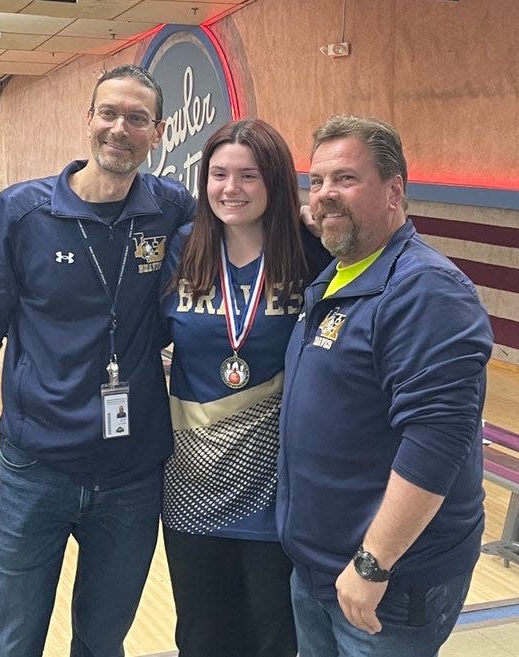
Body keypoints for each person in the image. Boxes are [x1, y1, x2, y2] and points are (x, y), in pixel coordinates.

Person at [0, 65, 195, 657]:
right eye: (109, 113)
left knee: (102, 641)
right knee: (13, 639)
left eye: (137, 119)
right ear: (88, 119)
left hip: (133, 475)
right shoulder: (21, 212)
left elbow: (246, 228)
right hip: (33, 469)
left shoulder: (171, 210)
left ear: (158, 132)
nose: (121, 128)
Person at [276, 115, 493, 657]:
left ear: (394, 190)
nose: (325, 194)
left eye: (345, 179)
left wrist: (373, 563)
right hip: (320, 567)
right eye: (317, 181)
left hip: (387, 583)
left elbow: (437, 440)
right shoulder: (338, 275)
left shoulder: (426, 292)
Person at [160, 119, 330, 657]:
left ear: (276, 182)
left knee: (273, 633)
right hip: (190, 482)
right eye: (218, 174)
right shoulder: (182, 248)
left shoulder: (312, 252)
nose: (230, 188)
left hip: (277, 485)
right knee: (202, 633)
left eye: (248, 175)